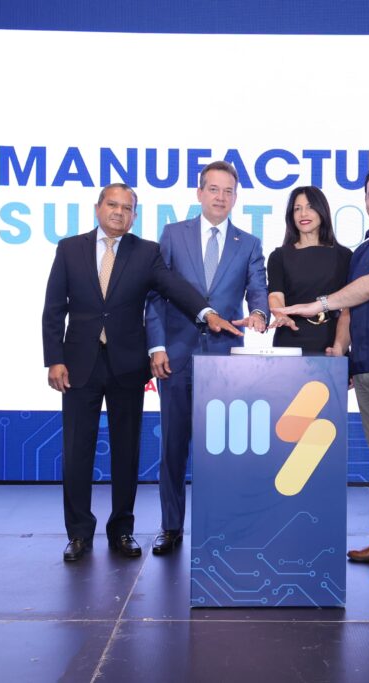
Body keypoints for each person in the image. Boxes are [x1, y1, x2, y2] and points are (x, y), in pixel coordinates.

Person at [43, 183, 242, 562]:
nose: (119, 212)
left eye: (127, 208)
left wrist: (207, 314)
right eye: (112, 205)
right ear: (98, 208)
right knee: (77, 451)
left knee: (126, 451)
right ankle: (79, 533)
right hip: (79, 365)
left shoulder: (146, 252)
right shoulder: (69, 249)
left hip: (127, 366)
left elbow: (175, 288)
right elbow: (54, 308)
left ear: (134, 215)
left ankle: (122, 530)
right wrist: (54, 358)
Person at [273, 165, 369, 586]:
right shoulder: (362, 251)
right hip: (364, 364)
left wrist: (317, 304)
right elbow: (349, 309)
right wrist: (339, 349)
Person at [145, 160, 270, 555]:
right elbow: (155, 294)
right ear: (200, 193)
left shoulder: (249, 243)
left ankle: (220, 528)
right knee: (173, 447)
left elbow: (258, 289)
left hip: (225, 360)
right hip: (177, 355)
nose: (220, 197)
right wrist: (157, 346)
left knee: (222, 451)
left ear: (236, 197)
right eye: (213, 189)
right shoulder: (173, 234)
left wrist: (260, 313)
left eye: (228, 191)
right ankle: (171, 527)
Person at [266, 186, 352, 352]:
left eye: (310, 207)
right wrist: (281, 315)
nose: (303, 214)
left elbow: (349, 305)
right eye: (297, 209)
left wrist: (340, 346)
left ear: (322, 211)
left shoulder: (344, 255)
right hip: (290, 337)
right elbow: (275, 295)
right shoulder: (279, 256)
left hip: (332, 340)